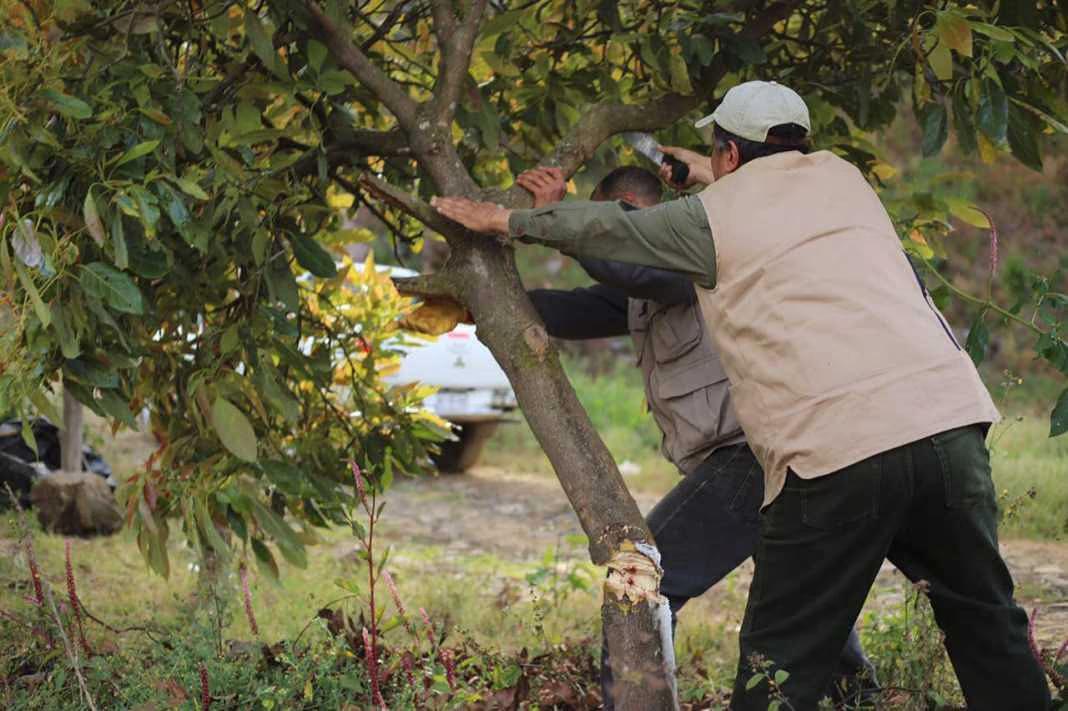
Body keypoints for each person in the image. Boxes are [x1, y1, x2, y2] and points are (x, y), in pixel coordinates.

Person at [431, 81, 1051, 710]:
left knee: (777, 665)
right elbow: (750, 193)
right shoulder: (844, 181)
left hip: (835, 449)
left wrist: (510, 219)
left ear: (728, 155)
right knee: (984, 623)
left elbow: (617, 237)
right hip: (950, 426)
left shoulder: (708, 222)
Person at [516, 165, 875, 706]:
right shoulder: (644, 286)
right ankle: (860, 696)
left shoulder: (691, 260)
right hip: (760, 459)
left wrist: (555, 221)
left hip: (750, 457)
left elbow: (634, 271)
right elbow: (581, 307)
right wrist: (488, 302)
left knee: (640, 580)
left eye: (602, 224)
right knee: (797, 598)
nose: (601, 235)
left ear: (633, 216)